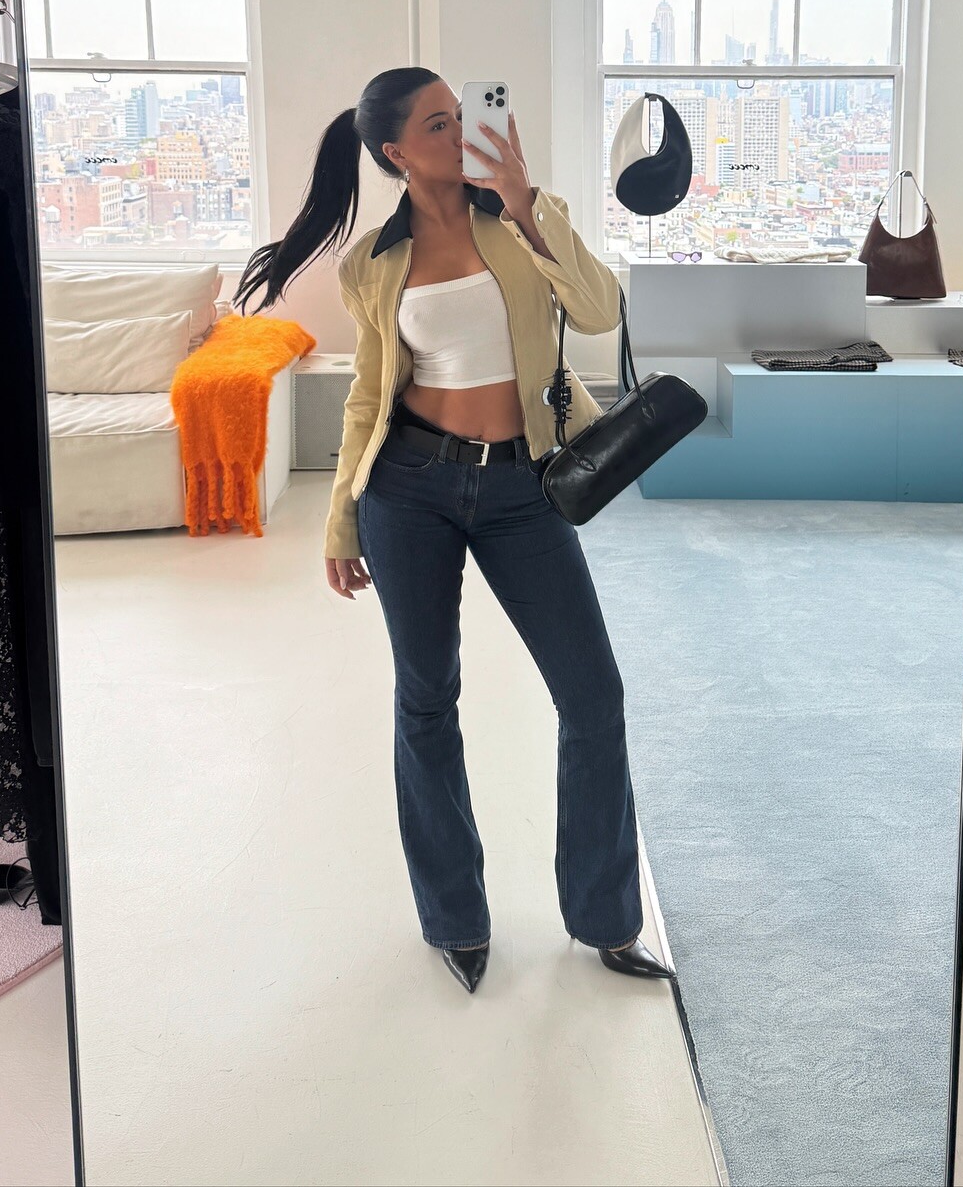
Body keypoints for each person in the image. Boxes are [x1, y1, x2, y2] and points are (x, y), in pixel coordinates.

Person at [236, 67, 672, 995]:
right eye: (439, 123)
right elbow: (368, 396)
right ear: (397, 151)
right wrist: (340, 519)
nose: (463, 130)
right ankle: (455, 918)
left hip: (524, 486)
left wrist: (526, 205)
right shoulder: (371, 263)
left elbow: (601, 312)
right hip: (409, 490)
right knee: (427, 698)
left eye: (462, 114)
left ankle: (605, 917)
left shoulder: (521, 216)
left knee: (593, 696)